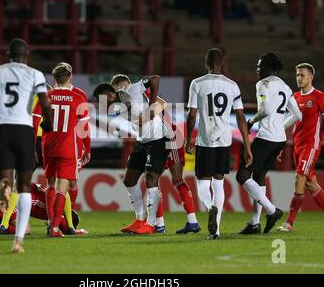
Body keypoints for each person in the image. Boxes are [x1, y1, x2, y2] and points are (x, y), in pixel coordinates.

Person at [0, 38, 52, 253]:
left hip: (0, 129)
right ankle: (18, 240)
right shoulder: (35, 74)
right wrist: (48, 123)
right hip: (23, 130)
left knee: (4, 181)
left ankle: (3, 191)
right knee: (25, 186)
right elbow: (46, 104)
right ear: (26, 54)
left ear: (8, 53)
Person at [110, 74, 200, 234]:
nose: (122, 90)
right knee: (151, 179)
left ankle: (192, 221)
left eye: (123, 86)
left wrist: (150, 110)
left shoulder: (140, 93)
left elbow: (162, 104)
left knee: (176, 179)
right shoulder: (125, 105)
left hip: (170, 136)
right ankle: (158, 224)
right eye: (118, 89)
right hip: (150, 140)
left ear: (128, 84)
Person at [186, 48, 253, 240]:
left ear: (206, 63)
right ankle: (216, 231)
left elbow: (192, 115)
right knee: (219, 184)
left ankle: (210, 208)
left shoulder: (197, 83)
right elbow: (241, 118)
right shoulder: (232, 85)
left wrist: (189, 138)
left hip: (205, 139)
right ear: (221, 63)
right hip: (224, 139)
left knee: (201, 186)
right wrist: (247, 147)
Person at [93, 74, 171, 234]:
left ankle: (153, 225)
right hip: (142, 140)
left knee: (151, 179)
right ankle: (139, 219)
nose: (102, 105)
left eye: (103, 101)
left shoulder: (132, 90)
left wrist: (151, 106)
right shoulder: (115, 107)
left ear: (110, 95)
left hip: (158, 138)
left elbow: (155, 79)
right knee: (129, 179)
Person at [236, 52, 302, 234]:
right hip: (279, 139)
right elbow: (297, 115)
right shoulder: (286, 87)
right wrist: (279, 125)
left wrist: (250, 122)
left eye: (260, 66)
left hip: (266, 138)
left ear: (270, 68)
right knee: (259, 177)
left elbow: (264, 110)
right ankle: (254, 223)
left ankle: (272, 211)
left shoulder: (263, 84)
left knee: (242, 175)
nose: (257, 69)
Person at [277, 63, 324, 232]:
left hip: (311, 146)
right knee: (310, 184)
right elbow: (287, 125)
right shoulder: (294, 97)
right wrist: (280, 146)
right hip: (296, 146)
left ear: (311, 77)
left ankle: (289, 222)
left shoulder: (320, 97)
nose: (299, 78)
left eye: (302, 75)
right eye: (297, 75)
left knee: (299, 178)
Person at [38, 63, 89, 237]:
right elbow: (84, 128)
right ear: (70, 77)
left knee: (50, 185)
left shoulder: (46, 96)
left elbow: (37, 122)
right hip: (68, 147)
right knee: (62, 188)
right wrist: (87, 149)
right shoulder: (79, 97)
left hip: (48, 145)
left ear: (54, 79)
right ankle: (55, 227)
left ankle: (53, 224)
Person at [0, 181, 87, 235]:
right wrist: (78, 231)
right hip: (9, 196)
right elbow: (64, 228)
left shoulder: (52, 193)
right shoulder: (57, 210)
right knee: (25, 229)